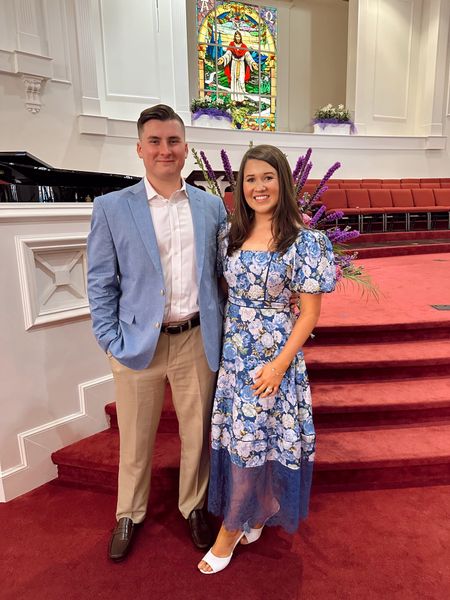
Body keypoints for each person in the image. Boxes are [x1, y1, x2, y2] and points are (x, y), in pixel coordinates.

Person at [87, 104, 227, 561]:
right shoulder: (112, 207)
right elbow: (101, 280)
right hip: (137, 342)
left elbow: (223, 274)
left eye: (173, 141)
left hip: (195, 338)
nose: (164, 150)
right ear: (140, 149)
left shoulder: (211, 206)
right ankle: (129, 512)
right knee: (135, 435)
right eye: (155, 141)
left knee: (196, 433)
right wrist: (110, 340)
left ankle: (194, 506)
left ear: (186, 147)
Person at [198, 144, 336, 574]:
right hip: (235, 354)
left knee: (254, 438)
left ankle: (229, 530)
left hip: (274, 358)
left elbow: (310, 314)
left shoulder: (305, 241)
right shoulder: (230, 235)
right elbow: (224, 292)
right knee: (244, 438)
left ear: (284, 182)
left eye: (268, 177)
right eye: (251, 179)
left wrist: (278, 366)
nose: (259, 187)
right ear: (240, 186)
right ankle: (254, 514)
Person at [218, 31, 258, 103]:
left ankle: (241, 99)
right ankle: (234, 99)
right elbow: (228, 54)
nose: (238, 38)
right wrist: (222, 59)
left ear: (241, 37)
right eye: (236, 36)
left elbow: (248, 56)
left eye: (239, 36)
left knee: (241, 81)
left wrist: (253, 63)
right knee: (234, 82)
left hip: (241, 65)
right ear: (235, 37)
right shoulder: (232, 44)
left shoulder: (243, 46)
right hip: (234, 65)